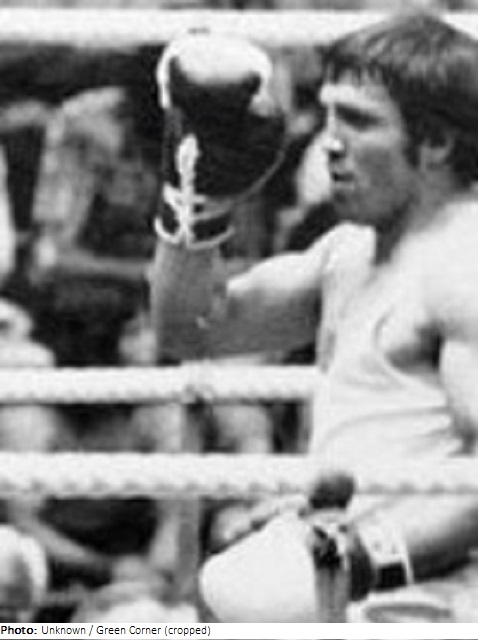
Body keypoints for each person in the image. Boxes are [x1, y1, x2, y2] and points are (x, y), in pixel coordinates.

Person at [150, 14, 478, 621]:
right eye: (328, 115)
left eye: (358, 120)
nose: (329, 142)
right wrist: (195, 205)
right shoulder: (346, 254)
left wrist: (365, 556)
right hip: (354, 580)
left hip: (438, 596)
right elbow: (190, 329)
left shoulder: (463, 267)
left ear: (436, 142)